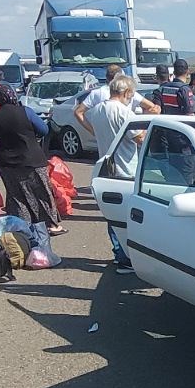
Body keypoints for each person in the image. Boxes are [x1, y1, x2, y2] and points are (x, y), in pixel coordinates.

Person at [84, 75, 145, 274]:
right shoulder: (124, 112)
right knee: (130, 216)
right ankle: (128, 257)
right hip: (126, 168)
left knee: (113, 216)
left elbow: (81, 115)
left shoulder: (98, 110)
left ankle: (120, 255)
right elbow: (140, 138)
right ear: (126, 93)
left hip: (106, 167)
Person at [0, 85, 66, 235]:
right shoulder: (25, 111)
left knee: (16, 195)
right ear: (13, 96)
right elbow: (43, 130)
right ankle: (50, 225)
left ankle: (23, 227)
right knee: (42, 192)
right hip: (31, 158)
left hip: (6, 161)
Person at [73, 64, 158, 150]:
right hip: (125, 157)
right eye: (130, 97)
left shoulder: (97, 107)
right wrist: (145, 125)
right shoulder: (125, 111)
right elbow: (153, 109)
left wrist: (94, 132)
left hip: (104, 156)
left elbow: (78, 112)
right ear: (126, 92)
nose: (130, 99)